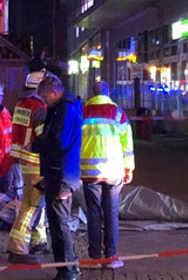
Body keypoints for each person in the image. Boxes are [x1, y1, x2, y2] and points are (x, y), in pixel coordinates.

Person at [30, 73, 82, 280]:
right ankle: (68, 266)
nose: (44, 103)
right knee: (57, 223)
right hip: (59, 173)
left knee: (59, 225)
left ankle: (68, 269)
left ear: (54, 93)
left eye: (45, 98)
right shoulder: (61, 107)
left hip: (61, 174)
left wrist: (35, 145)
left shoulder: (65, 109)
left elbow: (57, 141)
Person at [80, 81, 134, 270]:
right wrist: (129, 168)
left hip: (89, 172)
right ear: (108, 93)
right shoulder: (118, 113)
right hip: (113, 171)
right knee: (111, 213)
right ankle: (110, 256)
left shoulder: (83, 112)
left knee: (93, 214)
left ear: (92, 93)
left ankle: (94, 257)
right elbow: (127, 144)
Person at [7, 70, 50, 264]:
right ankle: (18, 248)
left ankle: (38, 241)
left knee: (37, 202)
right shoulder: (39, 108)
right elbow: (43, 138)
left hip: (24, 160)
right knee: (31, 205)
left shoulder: (21, 104)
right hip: (36, 161)